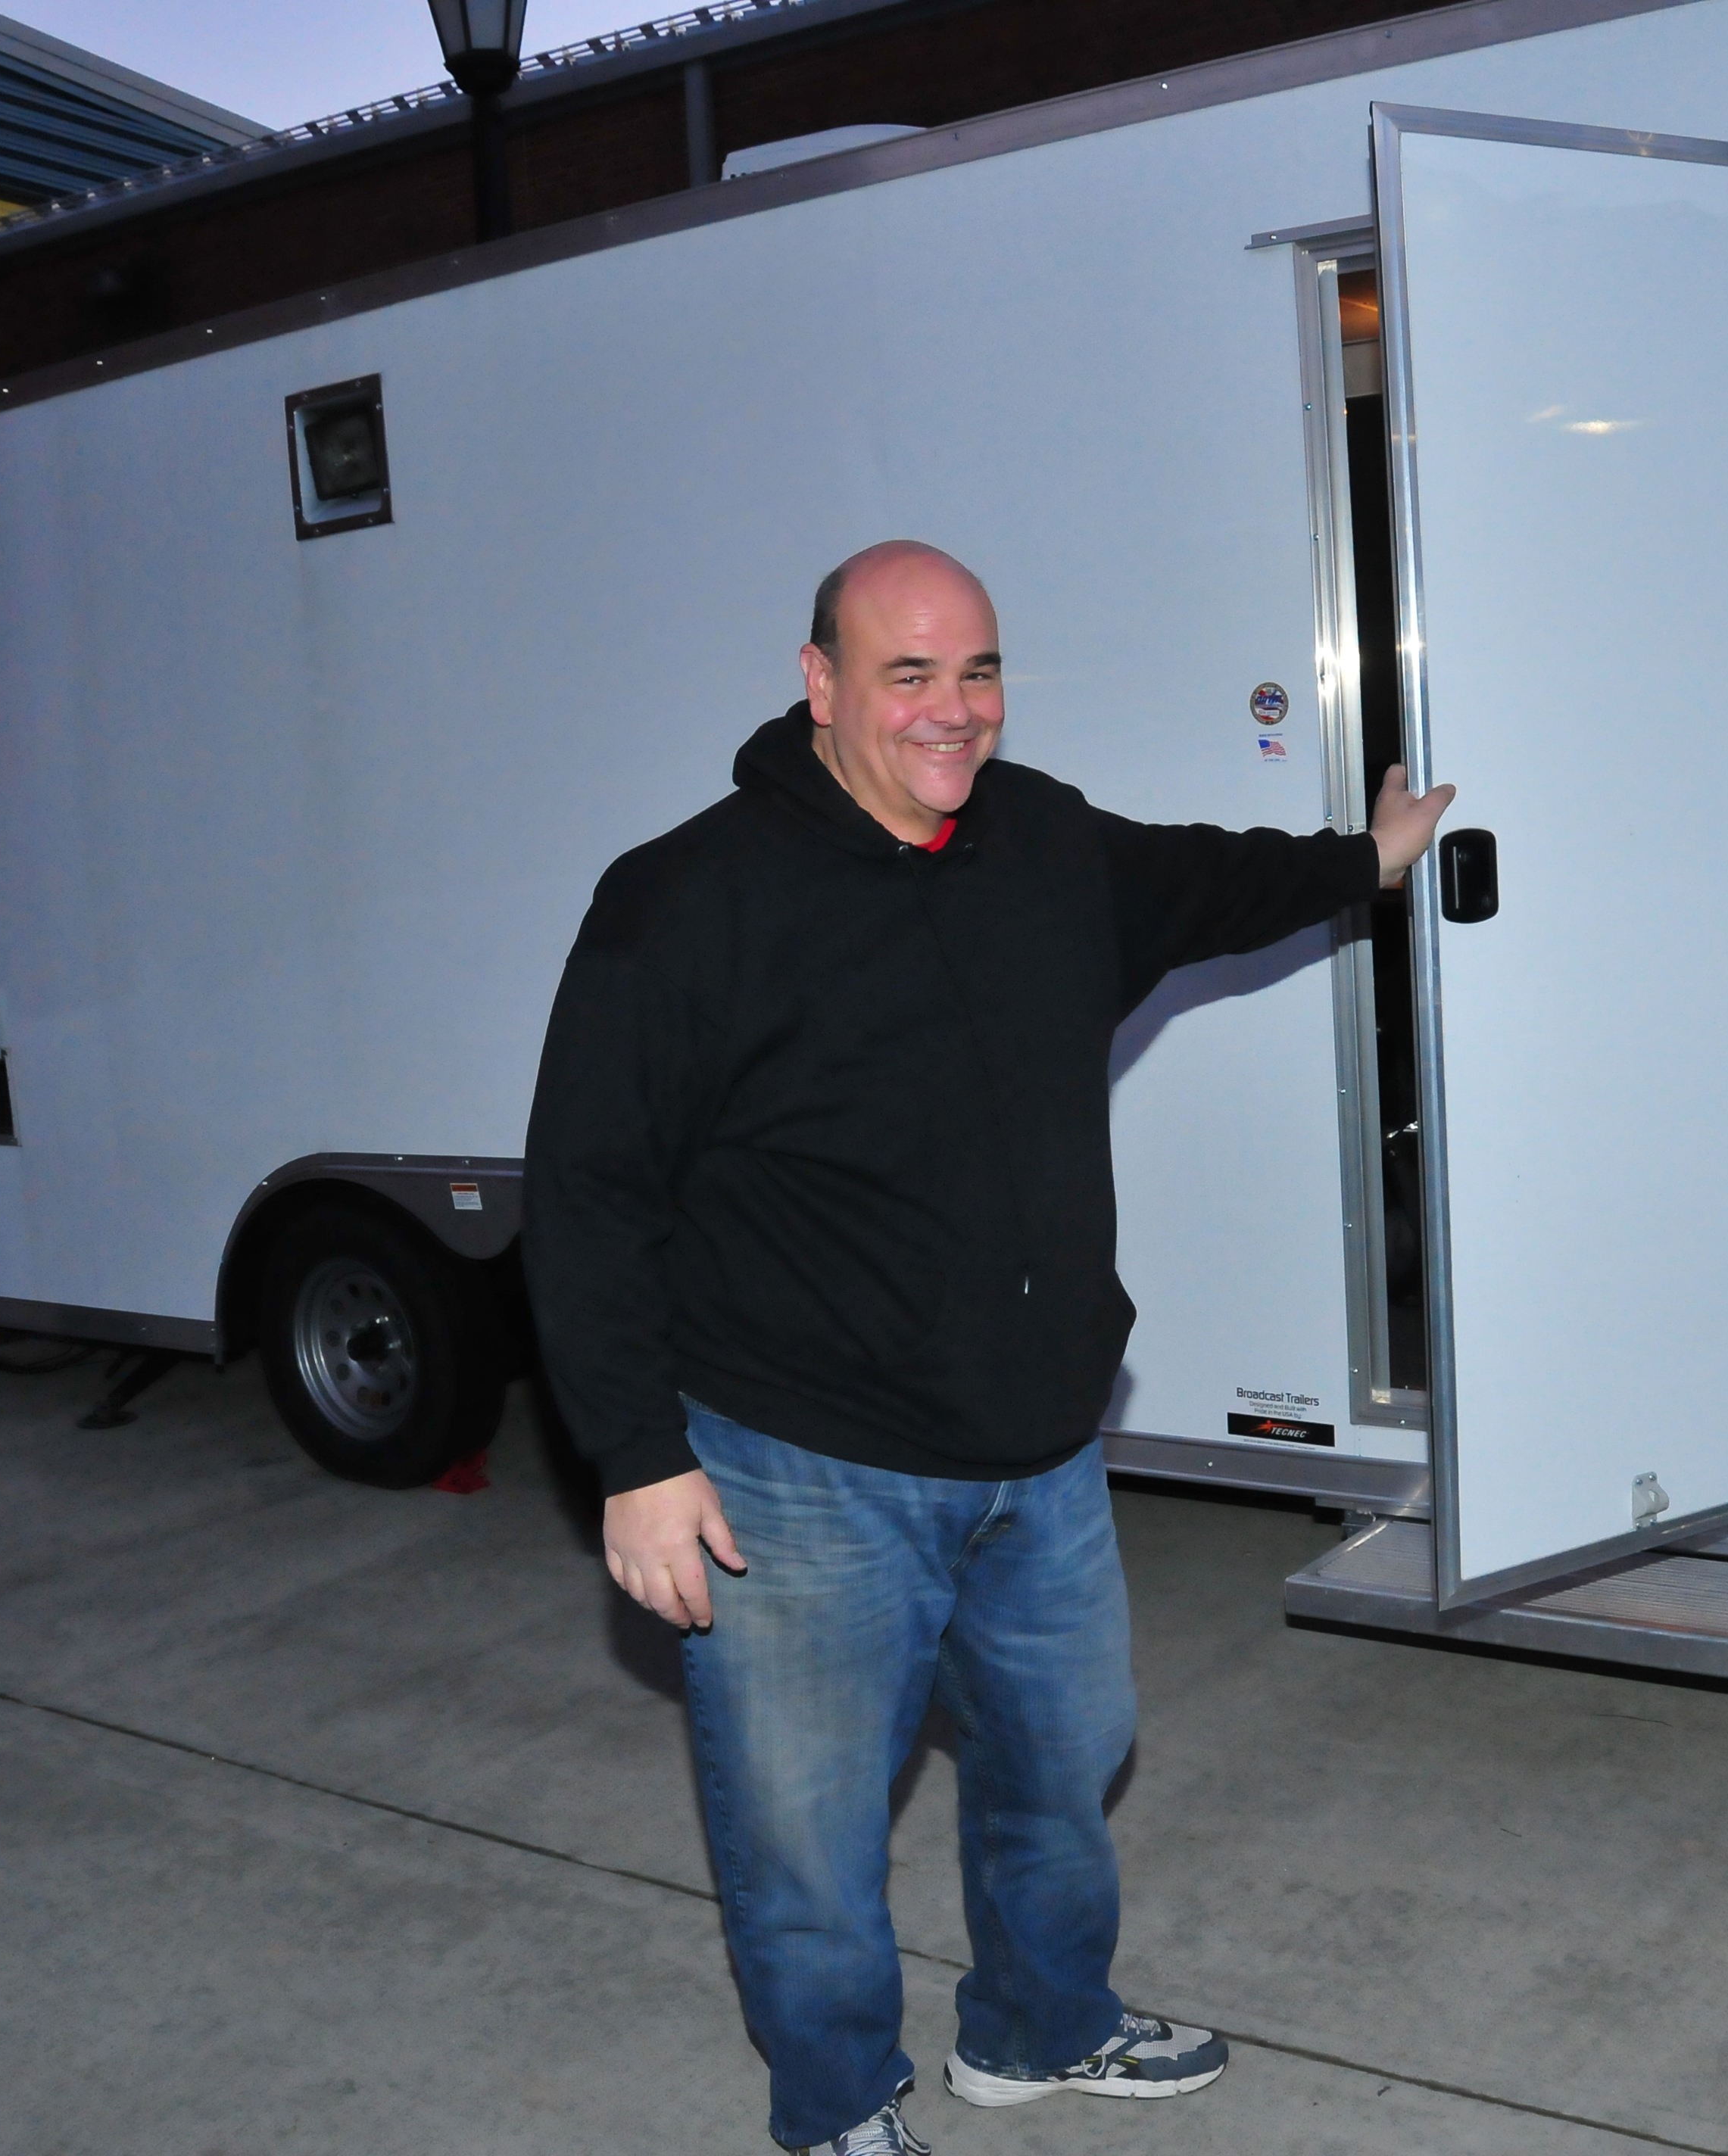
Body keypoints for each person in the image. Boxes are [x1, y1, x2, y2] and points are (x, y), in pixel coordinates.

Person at [522, 541, 1454, 2155]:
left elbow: (1201, 878)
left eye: (978, 673)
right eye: (908, 676)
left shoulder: (1038, 838)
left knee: (1066, 1755)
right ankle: (835, 2104)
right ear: (817, 683)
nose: (953, 713)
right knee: (807, 1834)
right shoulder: (684, 896)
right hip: (795, 1465)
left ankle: (1035, 2026)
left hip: (1034, 1446)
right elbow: (588, 1191)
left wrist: (1358, 859)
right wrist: (636, 1457)